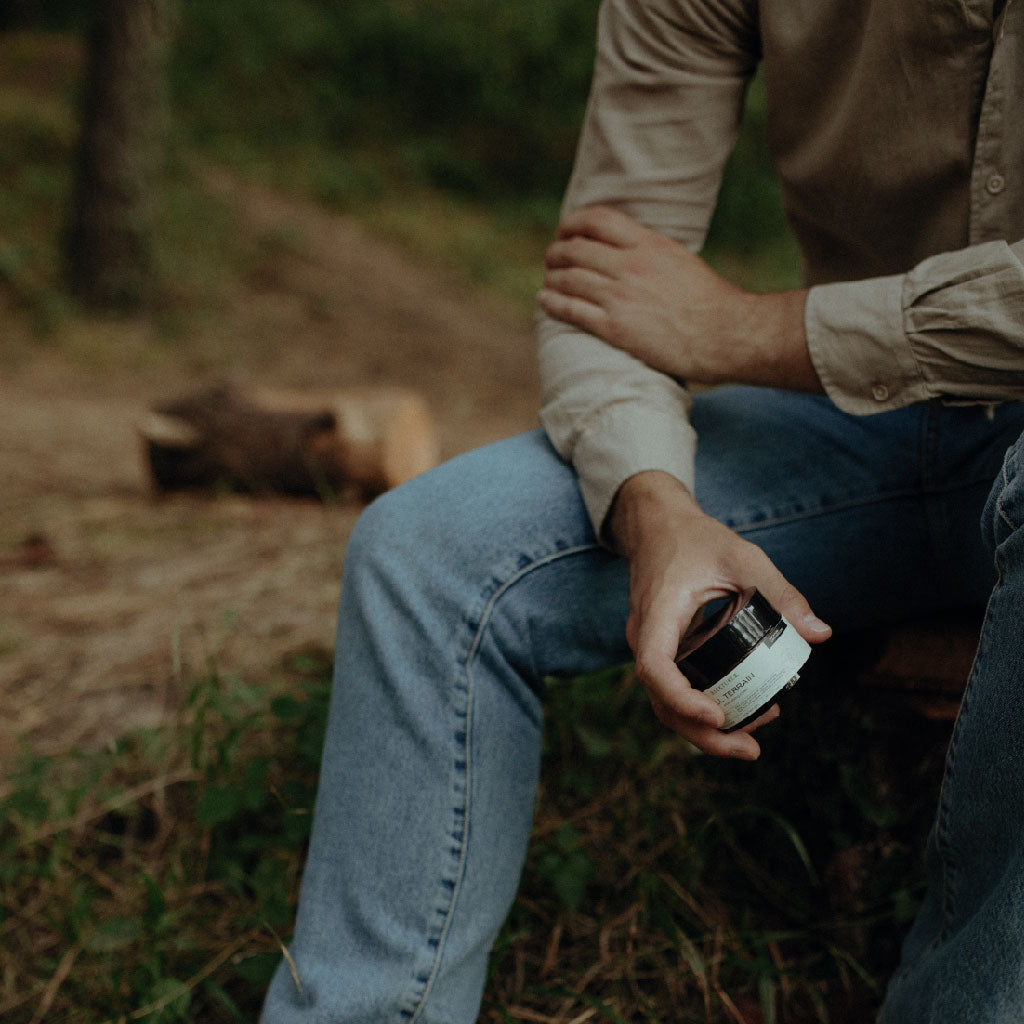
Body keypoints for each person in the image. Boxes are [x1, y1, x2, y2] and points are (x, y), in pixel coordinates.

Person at [261, 1, 1024, 1021]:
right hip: (857, 422)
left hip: (850, 368)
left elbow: (699, 321)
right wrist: (654, 507)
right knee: (428, 554)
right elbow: (609, 278)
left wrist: (745, 330)